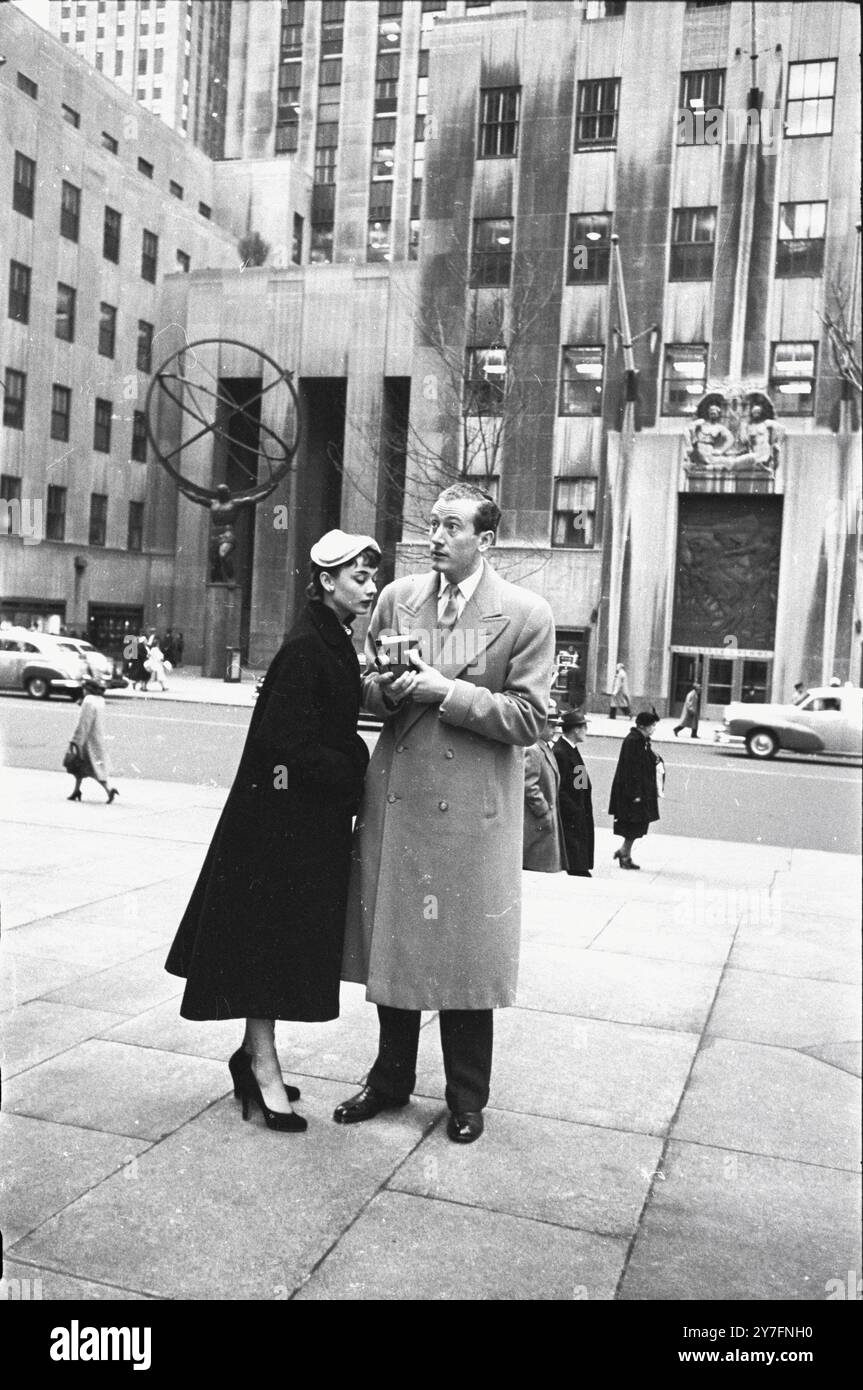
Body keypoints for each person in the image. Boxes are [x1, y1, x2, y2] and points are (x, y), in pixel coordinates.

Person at [336, 483, 555, 1144]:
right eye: (432, 523)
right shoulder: (397, 598)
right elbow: (363, 686)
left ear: (484, 540)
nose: (434, 536)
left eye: (451, 526)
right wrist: (388, 689)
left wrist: (445, 691)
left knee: (465, 959)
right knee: (397, 950)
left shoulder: (526, 613)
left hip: (471, 816)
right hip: (401, 801)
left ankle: (466, 1097)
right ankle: (389, 1081)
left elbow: (530, 719)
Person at [165, 531, 380, 1134]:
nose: (370, 587)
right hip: (281, 830)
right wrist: (354, 762)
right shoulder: (308, 645)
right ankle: (261, 1065)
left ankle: (255, 1056)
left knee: (276, 945)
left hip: (295, 823)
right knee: (269, 945)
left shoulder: (328, 635)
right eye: (359, 577)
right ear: (327, 582)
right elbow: (282, 746)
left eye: (371, 576)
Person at [609, 711, 662, 870]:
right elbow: (631, 770)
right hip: (632, 793)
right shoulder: (633, 741)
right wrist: (636, 794)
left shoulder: (641, 740)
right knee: (632, 825)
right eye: (652, 725)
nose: (654, 728)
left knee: (637, 825)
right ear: (642, 726)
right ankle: (625, 855)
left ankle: (624, 852)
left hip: (639, 791)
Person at [522, 717, 568, 873]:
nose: (555, 730)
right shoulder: (537, 750)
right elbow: (529, 785)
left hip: (550, 815)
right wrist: (543, 810)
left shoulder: (549, 748)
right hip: (543, 817)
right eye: (551, 726)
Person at [553, 709, 594, 877]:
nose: (586, 731)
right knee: (576, 863)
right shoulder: (561, 752)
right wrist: (575, 810)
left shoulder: (571, 749)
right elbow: (560, 788)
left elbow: (579, 780)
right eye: (584, 727)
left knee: (580, 859)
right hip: (572, 816)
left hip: (579, 811)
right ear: (576, 729)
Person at [66, 678, 119, 804]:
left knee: (92, 767)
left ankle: (108, 789)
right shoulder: (100, 700)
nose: (83, 691)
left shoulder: (88, 701)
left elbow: (84, 723)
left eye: (84, 689)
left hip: (87, 740)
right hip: (97, 737)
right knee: (80, 767)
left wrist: (76, 740)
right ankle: (76, 791)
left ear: (88, 689)